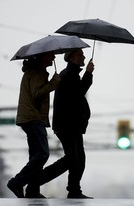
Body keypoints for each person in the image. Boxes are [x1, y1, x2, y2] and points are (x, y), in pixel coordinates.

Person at [38, 48, 94, 198]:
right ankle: (36, 181)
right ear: (71, 57)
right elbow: (79, 92)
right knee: (72, 158)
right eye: (80, 54)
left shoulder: (72, 74)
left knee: (78, 158)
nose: (83, 56)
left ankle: (74, 190)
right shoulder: (68, 75)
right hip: (67, 125)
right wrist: (88, 73)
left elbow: (77, 92)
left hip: (72, 125)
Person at [7, 52, 61, 198]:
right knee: (43, 154)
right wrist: (54, 83)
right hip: (33, 118)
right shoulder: (38, 72)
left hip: (30, 117)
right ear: (43, 57)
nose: (54, 58)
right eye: (51, 55)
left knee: (35, 155)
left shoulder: (34, 71)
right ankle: (17, 182)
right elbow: (37, 93)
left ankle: (32, 190)